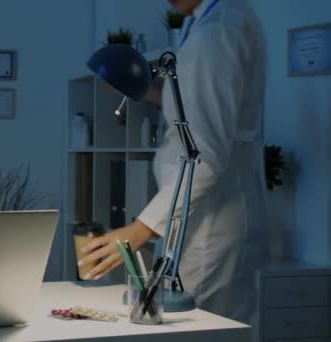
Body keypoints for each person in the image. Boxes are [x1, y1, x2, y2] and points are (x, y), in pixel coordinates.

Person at [78, 0, 267, 323]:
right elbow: (194, 103)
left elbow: (204, 157)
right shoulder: (213, 21)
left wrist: (140, 229)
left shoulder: (217, 32)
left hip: (210, 222)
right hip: (197, 214)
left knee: (203, 323)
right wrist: (147, 90)